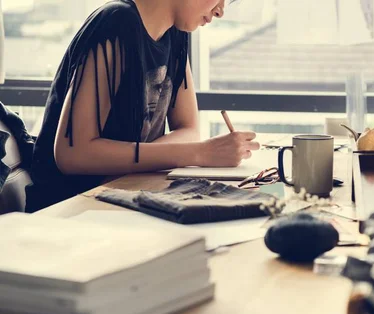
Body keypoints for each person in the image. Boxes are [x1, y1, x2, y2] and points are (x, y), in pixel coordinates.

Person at [25, 0, 259, 212]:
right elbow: (72, 154)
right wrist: (202, 152)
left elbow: (189, 130)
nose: (220, 11)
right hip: (67, 212)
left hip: (125, 197)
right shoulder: (115, 23)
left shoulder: (176, 33)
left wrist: (136, 160)